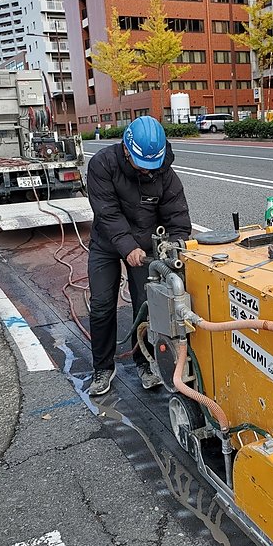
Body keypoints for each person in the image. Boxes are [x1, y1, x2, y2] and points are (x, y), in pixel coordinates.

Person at [85, 116, 191, 396]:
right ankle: (103, 368)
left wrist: (176, 246)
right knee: (102, 304)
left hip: (146, 248)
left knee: (147, 305)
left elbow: (177, 217)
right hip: (107, 242)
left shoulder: (165, 173)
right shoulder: (101, 165)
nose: (146, 172)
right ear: (126, 150)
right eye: (140, 165)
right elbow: (107, 212)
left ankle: (144, 361)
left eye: (150, 167)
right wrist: (127, 246)